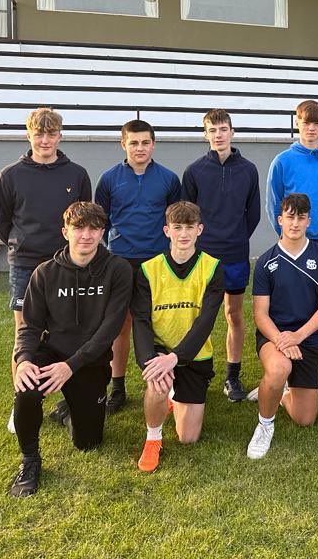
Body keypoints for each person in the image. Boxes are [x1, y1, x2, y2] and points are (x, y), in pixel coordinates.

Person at [7, 202, 133, 497]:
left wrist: (71, 366)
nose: (86, 235)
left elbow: (109, 330)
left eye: (94, 228)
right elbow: (29, 326)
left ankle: (67, 410)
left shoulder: (118, 270)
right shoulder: (45, 273)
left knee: (88, 443)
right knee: (27, 389)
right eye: (79, 228)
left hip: (90, 360)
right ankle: (30, 461)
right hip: (52, 353)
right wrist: (23, 360)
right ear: (65, 232)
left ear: (102, 232)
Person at [0, 107, 92, 433]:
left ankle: (71, 400)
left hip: (67, 265)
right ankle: (21, 403)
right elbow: (1, 223)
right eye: (39, 134)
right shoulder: (10, 175)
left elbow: (84, 220)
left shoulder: (76, 174)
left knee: (71, 331)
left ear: (60, 136)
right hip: (25, 265)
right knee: (25, 335)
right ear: (28, 135)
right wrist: (25, 245)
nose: (45, 140)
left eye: (51, 134)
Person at [96, 119, 181, 414]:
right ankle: (117, 386)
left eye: (145, 142)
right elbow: (101, 221)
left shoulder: (169, 179)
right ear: (124, 144)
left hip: (158, 262)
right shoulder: (109, 179)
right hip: (121, 261)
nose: (140, 148)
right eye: (133, 143)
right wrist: (117, 244)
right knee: (121, 325)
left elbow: (175, 220)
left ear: (153, 144)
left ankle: (169, 384)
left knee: (162, 322)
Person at [131, 201, 223, 473]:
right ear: (167, 231)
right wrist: (150, 360)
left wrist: (176, 357)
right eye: (178, 227)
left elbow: (205, 322)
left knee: (188, 437)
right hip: (160, 350)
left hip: (194, 355)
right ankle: (153, 438)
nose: (184, 234)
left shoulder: (213, 268)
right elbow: (141, 321)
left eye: (190, 227)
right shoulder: (148, 269)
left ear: (199, 230)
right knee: (157, 384)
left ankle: (174, 395)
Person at [246, 194, 318, 459]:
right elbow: (260, 314)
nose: (295, 223)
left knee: (305, 419)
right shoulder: (265, 261)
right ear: (280, 220)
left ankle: (280, 392)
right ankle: (265, 425)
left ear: (309, 221)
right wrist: (281, 340)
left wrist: (298, 336)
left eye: (301, 218)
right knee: (279, 368)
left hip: (307, 337)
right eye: (290, 217)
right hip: (274, 337)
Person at [182, 109, 261, 403]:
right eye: (212, 130)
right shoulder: (194, 171)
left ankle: (232, 376)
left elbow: (253, 214)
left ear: (232, 132)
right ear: (205, 134)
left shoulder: (249, 170)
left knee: (233, 315)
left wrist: (236, 237)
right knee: (196, 316)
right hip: (202, 257)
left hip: (235, 255)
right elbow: (187, 215)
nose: (218, 135)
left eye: (223, 129)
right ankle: (193, 373)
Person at [266, 99, 318, 256]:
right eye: (306, 123)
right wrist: (285, 232)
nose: (311, 128)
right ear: (297, 123)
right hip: (292, 239)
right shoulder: (282, 161)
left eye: (316, 123)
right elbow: (273, 204)